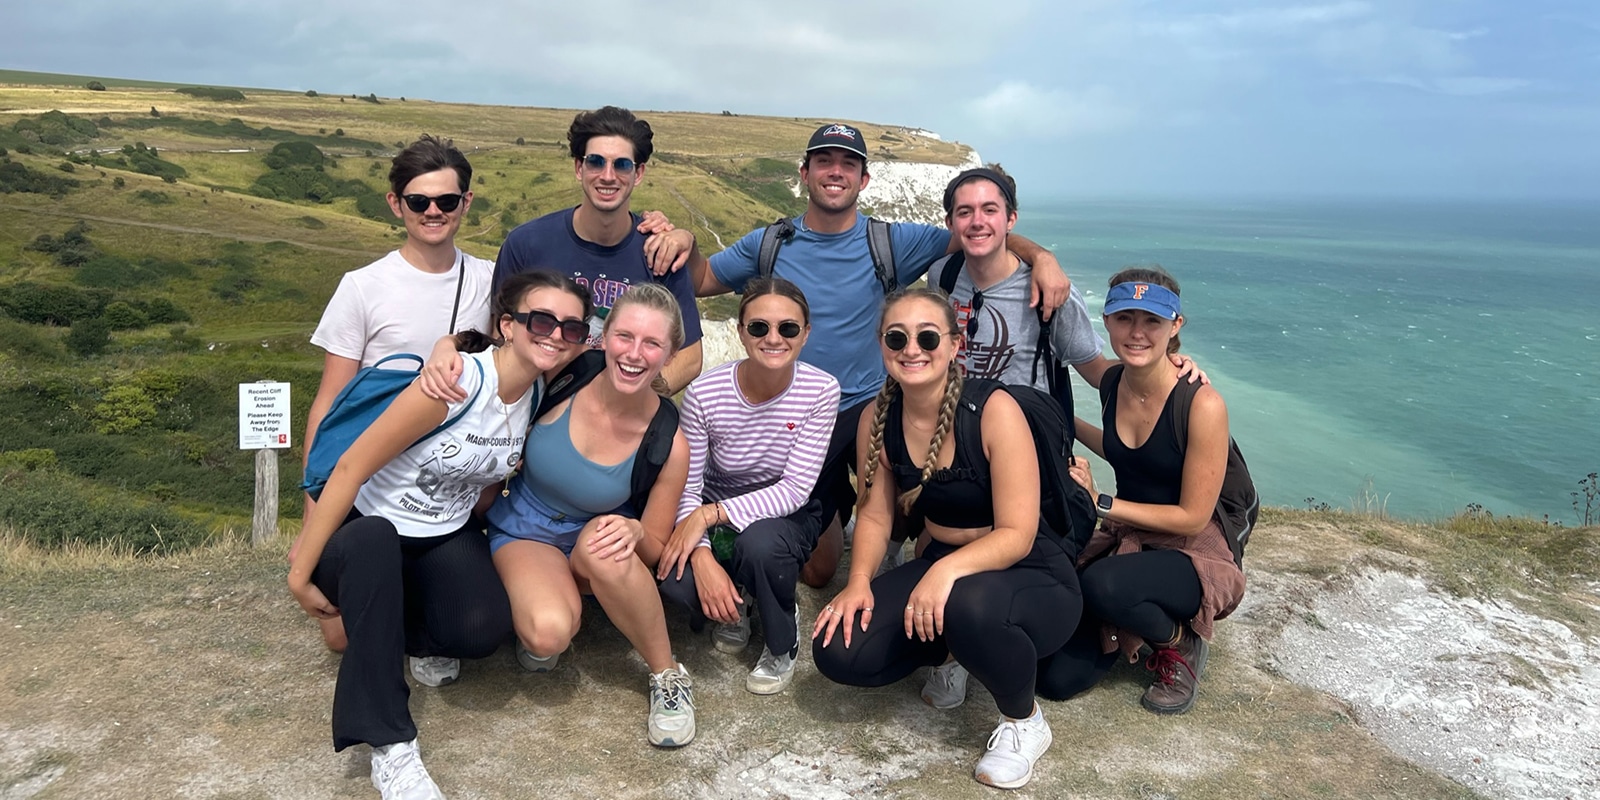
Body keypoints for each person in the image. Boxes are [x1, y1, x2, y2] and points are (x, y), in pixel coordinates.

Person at [661, 123, 1072, 587]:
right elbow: (701, 281)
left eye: (848, 164)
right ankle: (834, 518)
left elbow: (976, 234)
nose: (836, 172)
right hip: (796, 410)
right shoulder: (770, 243)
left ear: (864, 179)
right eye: (824, 162)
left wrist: (1041, 258)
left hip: (867, 407)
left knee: (904, 499)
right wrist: (685, 240)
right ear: (805, 173)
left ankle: (891, 545)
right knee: (818, 573)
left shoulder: (891, 241)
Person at [287, 271, 591, 800]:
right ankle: (391, 745)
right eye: (541, 320)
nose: (555, 335)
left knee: (479, 629)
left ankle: (382, 625)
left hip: (440, 533)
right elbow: (351, 469)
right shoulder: (453, 385)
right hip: (364, 530)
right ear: (507, 326)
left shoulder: (536, 389)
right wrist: (299, 573)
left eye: (571, 327)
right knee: (377, 544)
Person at [919, 166, 1208, 711]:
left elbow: (1098, 369)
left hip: (1029, 451)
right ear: (952, 221)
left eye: (990, 210)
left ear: (1011, 218)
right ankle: (955, 653)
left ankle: (1128, 634)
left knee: (1043, 637)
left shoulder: (1048, 291)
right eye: (964, 211)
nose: (978, 221)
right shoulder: (942, 274)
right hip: (958, 441)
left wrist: (1169, 370)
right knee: (945, 540)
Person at [811, 288, 1082, 790]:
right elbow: (872, 516)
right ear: (882, 344)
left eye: (927, 336)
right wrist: (860, 582)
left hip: (1033, 573)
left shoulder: (993, 410)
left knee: (967, 607)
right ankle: (955, 653)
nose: (912, 348)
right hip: (948, 569)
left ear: (955, 345)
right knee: (839, 650)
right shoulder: (879, 418)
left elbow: (1019, 534)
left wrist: (943, 570)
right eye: (897, 337)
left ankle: (1024, 723)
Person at [299, 134, 492, 654]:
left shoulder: (490, 283)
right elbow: (331, 404)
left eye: (447, 201)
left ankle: (419, 612)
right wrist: (312, 515)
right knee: (340, 640)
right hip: (369, 487)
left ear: (465, 203)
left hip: (446, 489)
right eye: (418, 201)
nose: (434, 211)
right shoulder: (363, 287)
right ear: (395, 204)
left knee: (473, 626)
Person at [484, 282, 698, 747]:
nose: (634, 354)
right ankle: (549, 602)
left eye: (652, 343)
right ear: (604, 336)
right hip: (526, 530)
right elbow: (495, 357)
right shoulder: (566, 372)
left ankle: (667, 675)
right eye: (624, 336)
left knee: (608, 541)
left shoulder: (667, 440)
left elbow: (656, 547)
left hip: (594, 544)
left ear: (670, 353)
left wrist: (635, 527)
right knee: (547, 637)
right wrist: (445, 348)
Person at [1035, 267, 1247, 716]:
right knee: (1053, 679)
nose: (1136, 333)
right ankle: (1124, 625)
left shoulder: (1201, 404)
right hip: (1133, 538)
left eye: (1152, 321)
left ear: (1176, 326)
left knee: (1103, 584)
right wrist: (1048, 420)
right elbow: (1120, 446)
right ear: (1106, 321)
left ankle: (1181, 644)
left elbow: (1191, 516)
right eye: (1124, 318)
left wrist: (1102, 503)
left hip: (1193, 547)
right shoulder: (1112, 382)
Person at [655, 278, 841, 695]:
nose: (773, 338)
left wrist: (709, 515)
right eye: (758, 328)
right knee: (677, 578)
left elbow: (795, 488)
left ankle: (781, 637)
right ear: (740, 332)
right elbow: (690, 482)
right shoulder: (705, 392)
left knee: (759, 546)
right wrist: (701, 556)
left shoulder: (821, 390)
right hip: (714, 502)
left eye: (788, 328)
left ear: (806, 334)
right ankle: (735, 601)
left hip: (784, 513)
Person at [492, 106, 703, 393]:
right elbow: (499, 337)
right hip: (535, 418)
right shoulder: (526, 244)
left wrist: (630, 404)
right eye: (595, 162)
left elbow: (689, 357)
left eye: (622, 165)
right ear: (579, 168)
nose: (607, 175)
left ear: (638, 173)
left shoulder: (661, 252)